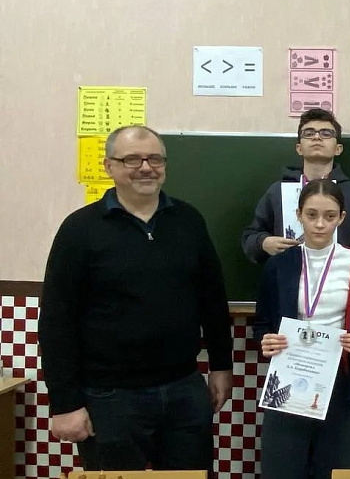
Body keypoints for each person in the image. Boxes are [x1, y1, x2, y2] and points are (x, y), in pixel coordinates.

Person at [38, 125, 233, 473]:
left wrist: (221, 365)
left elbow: (213, 300)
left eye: (155, 159)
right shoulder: (80, 230)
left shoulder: (189, 221)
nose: (146, 168)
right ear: (109, 166)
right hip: (109, 398)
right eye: (132, 159)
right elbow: (56, 320)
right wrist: (64, 404)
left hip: (184, 390)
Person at [253, 179, 350, 479]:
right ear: (298, 215)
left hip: (342, 386)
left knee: (338, 473)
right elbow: (262, 325)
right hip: (288, 381)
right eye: (311, 215)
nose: (320, 224)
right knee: (281, 472)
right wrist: (265, 341)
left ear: (342, 218)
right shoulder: (278, 265)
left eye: (329, 216)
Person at [242, 108, 350, 264]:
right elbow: (249, 237)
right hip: (289, 272)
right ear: (299, 148)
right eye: (309, 133)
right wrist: (263, 243)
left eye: (326, 133)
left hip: (341, 273)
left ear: (338, 149)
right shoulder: (278, 191)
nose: (317, 137)